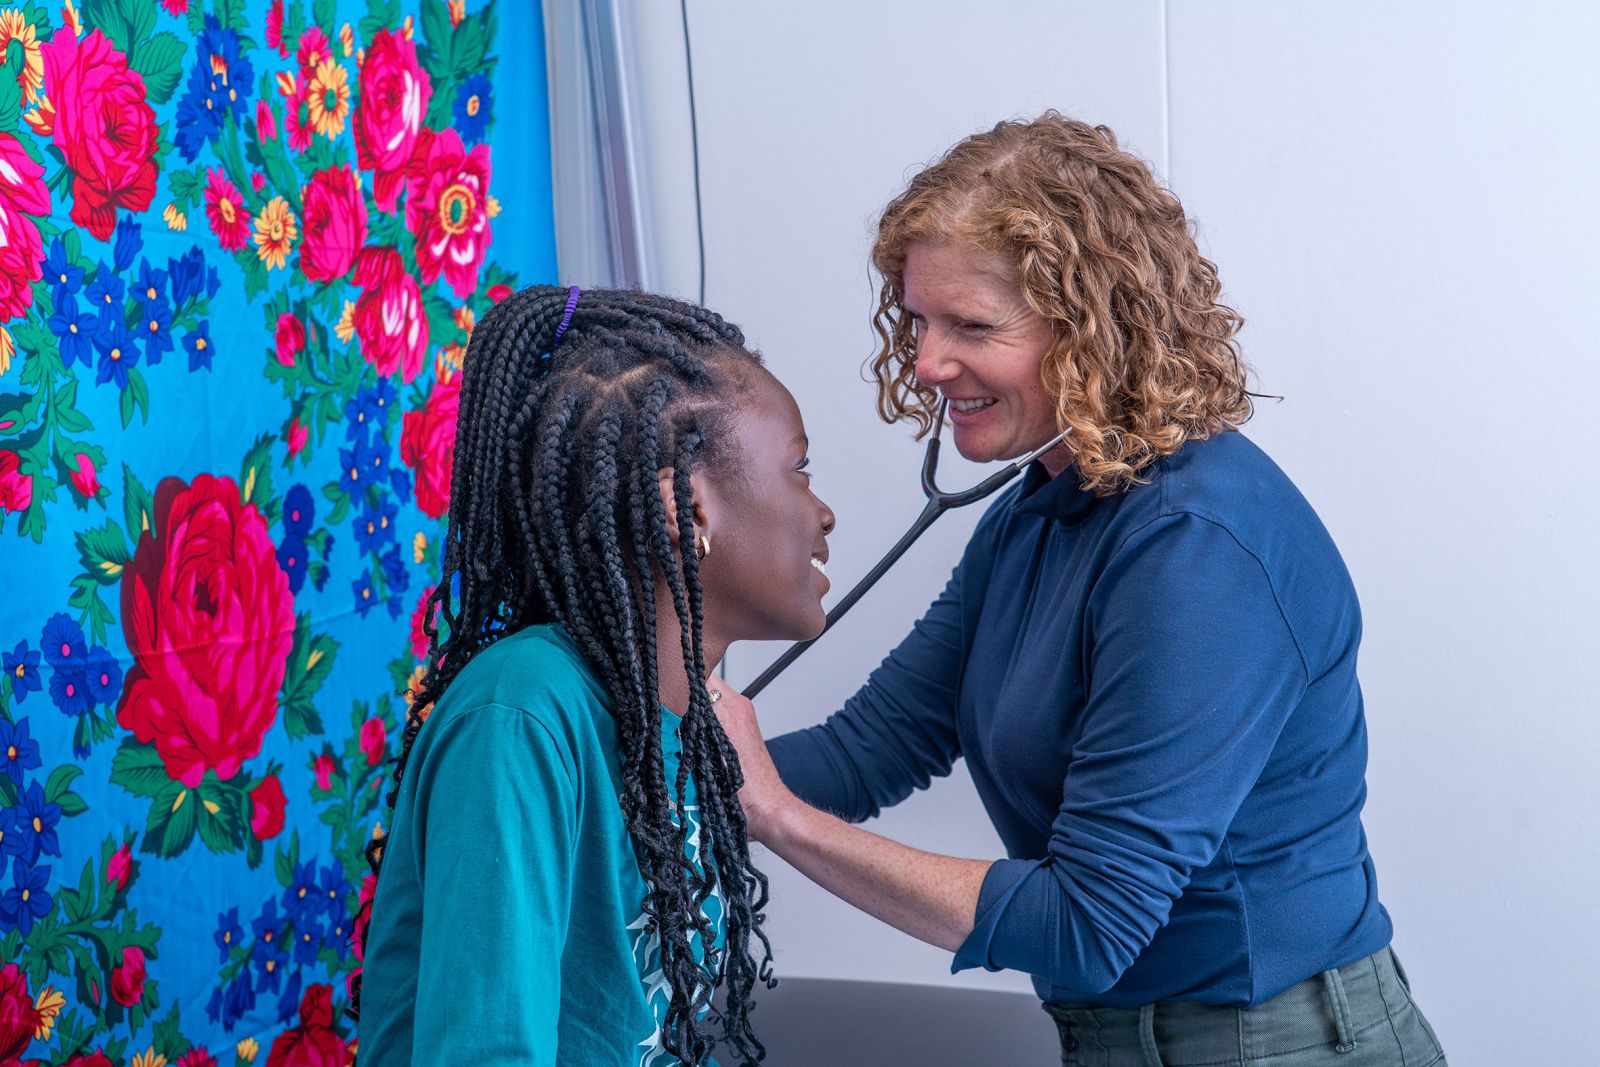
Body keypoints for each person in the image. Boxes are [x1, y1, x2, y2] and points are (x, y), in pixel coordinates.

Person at [709, 113, 1448, 1066]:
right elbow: (872, 748)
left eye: (972, 326)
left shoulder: (1196, 548)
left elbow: (1089, 924)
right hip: (1120, 1039)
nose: (928, 362)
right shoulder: (1035, 514)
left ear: (1094, 330)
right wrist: (650, 772)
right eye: (919, 320)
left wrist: (772, 814)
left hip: (1273, 1042)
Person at [353, 286, 836, 1067]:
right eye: (799, 468)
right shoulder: (520, 715)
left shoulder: (679, 722)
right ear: (691, 509)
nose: (823, 513)